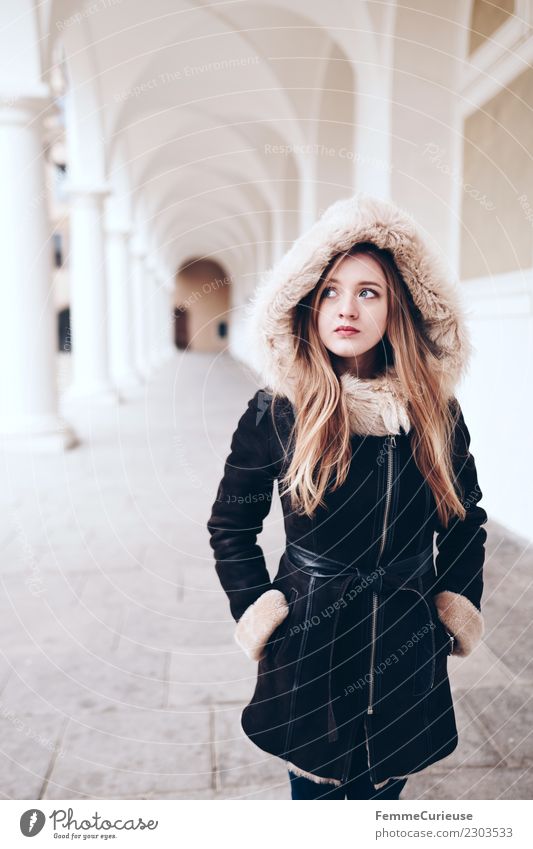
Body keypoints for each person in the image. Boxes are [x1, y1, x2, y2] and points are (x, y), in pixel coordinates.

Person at [206, 193, 488, 800]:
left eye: (368, 291)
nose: (346, 307)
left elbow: (466, 522)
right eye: (331, 289)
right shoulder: (278, 412)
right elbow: (230, 525)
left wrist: (449, 610)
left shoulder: (436, 415)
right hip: (310, 650)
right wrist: (262, 613)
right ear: (307, 302)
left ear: (397, 307)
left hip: (406, 648)